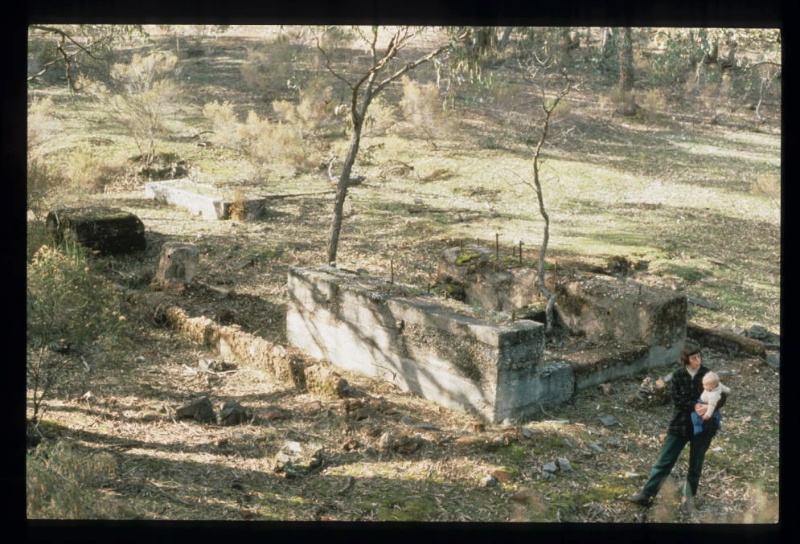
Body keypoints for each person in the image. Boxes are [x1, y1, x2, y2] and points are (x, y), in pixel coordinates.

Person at [627, 348, 728, 514]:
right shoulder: (678, 375)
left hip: (704, 425)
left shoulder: (708, 374)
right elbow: (677, 399)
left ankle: (687, 499)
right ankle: (647, 495)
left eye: (699, 356)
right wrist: (694, 406)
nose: (698, 360)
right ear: (686, 359)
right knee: (665, 460)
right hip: (680, 424)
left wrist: (711, 406)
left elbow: (722, 395)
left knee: (696, 463)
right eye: (694, 357)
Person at [691, 371, 730, 435]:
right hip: (707, 401)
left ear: (712, 386)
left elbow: (711, 406)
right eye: (703, 384)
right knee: (716, 414)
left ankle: (697, 427)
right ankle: (718, 424)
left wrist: (708, 414)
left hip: (705, 402)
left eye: (705, 385)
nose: (703, 386)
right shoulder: (719, 385)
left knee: (695, 414)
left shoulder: (713, 395)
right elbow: (725, 389)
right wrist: (728, 390)